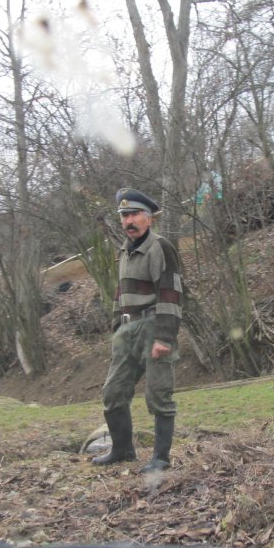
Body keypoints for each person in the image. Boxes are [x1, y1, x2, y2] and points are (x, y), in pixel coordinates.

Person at [93, 187, 183, 472]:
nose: (129, 221)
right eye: (124, 216)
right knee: (113, 392)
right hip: (127, 329)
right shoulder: (125, 250)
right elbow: (120, 293)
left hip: (153, 326)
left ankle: (160, 458)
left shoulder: (159, 247)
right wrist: (116, 328)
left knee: (158, 394)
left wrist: (164, 337)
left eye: (134, 214)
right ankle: (122, 450)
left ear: (148, 218)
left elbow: (171, 293)